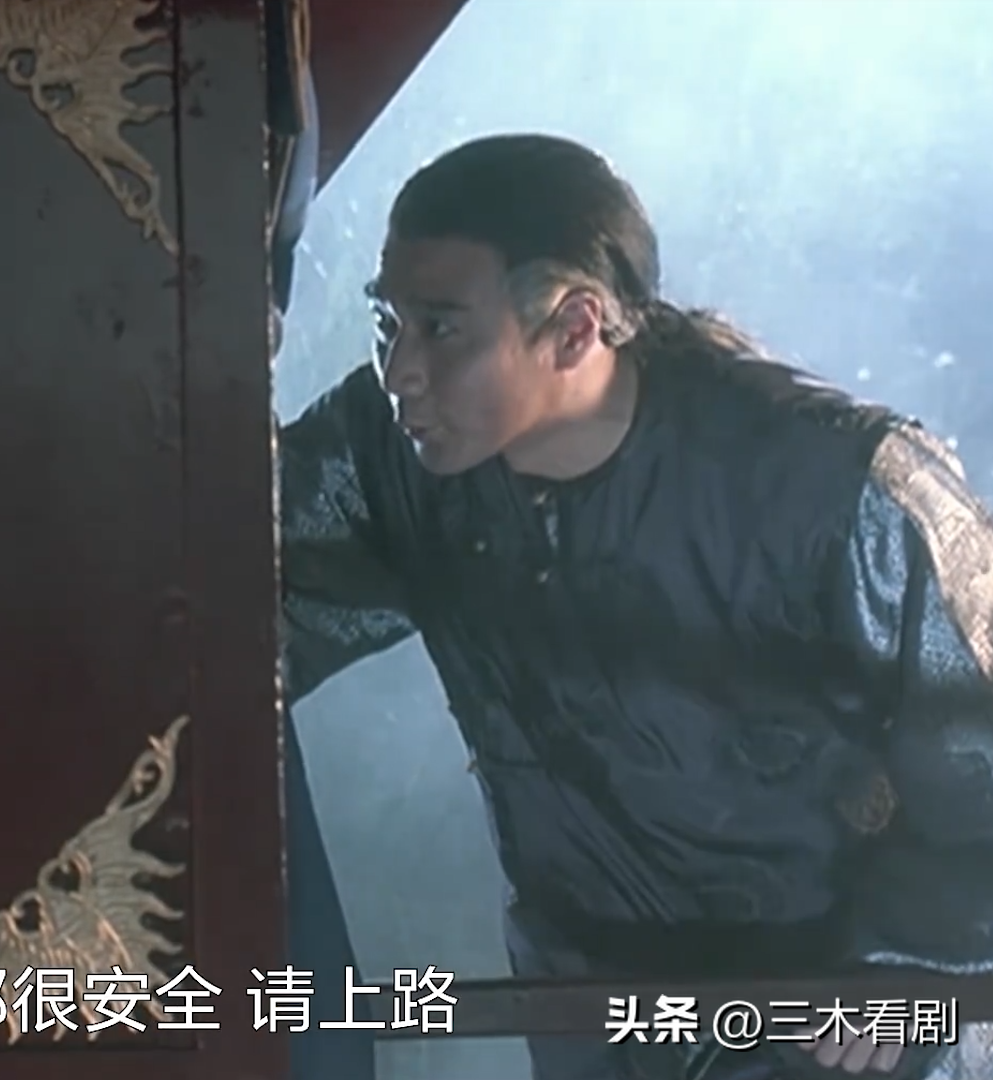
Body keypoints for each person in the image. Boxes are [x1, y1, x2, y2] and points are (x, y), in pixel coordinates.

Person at [279, 133, 993, 1080]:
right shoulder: (389, 457)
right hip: (588, 1009)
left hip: (833, 1020)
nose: (398, 368)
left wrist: (914, 962)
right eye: (389, 323)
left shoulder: (835, 488)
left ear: (575, 327)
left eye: (440, 328)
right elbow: (219, 601)